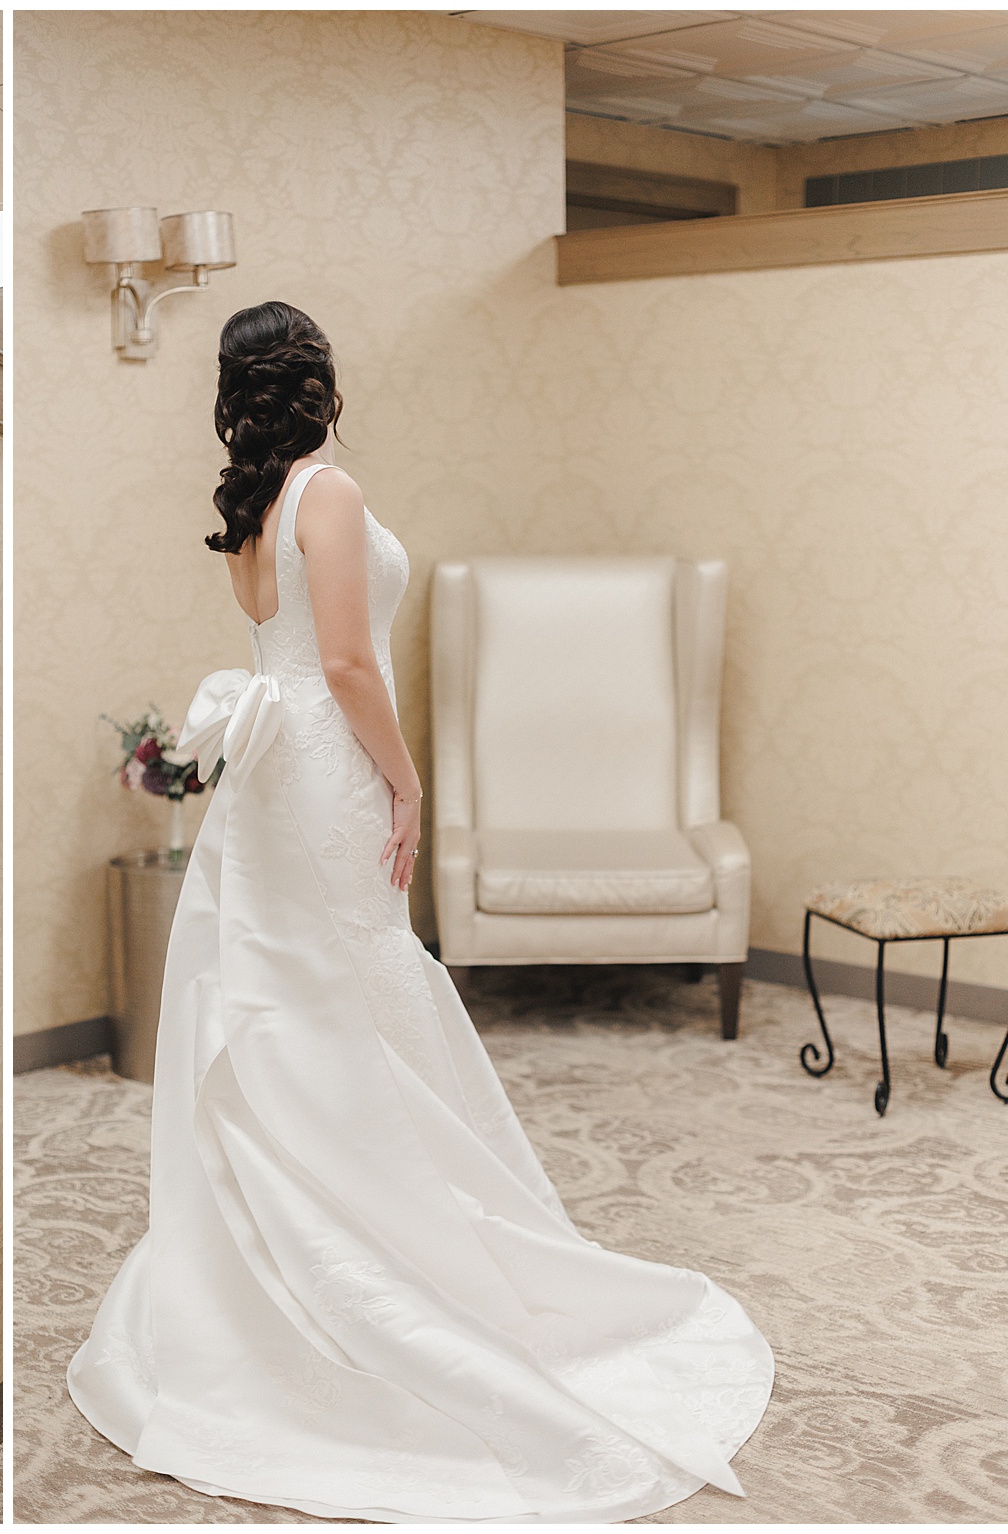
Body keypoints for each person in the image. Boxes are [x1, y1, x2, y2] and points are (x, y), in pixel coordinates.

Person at [65, 303, 774, 1521]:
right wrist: (404, 777)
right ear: (319, 384)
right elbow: (343, 664)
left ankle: (302, 1221)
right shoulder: (323, 493)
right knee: (344, 989)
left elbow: (291, 650)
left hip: (271, 779)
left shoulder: (245, 515)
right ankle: (390, 1244)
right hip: (329, 767)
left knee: (298, 994)